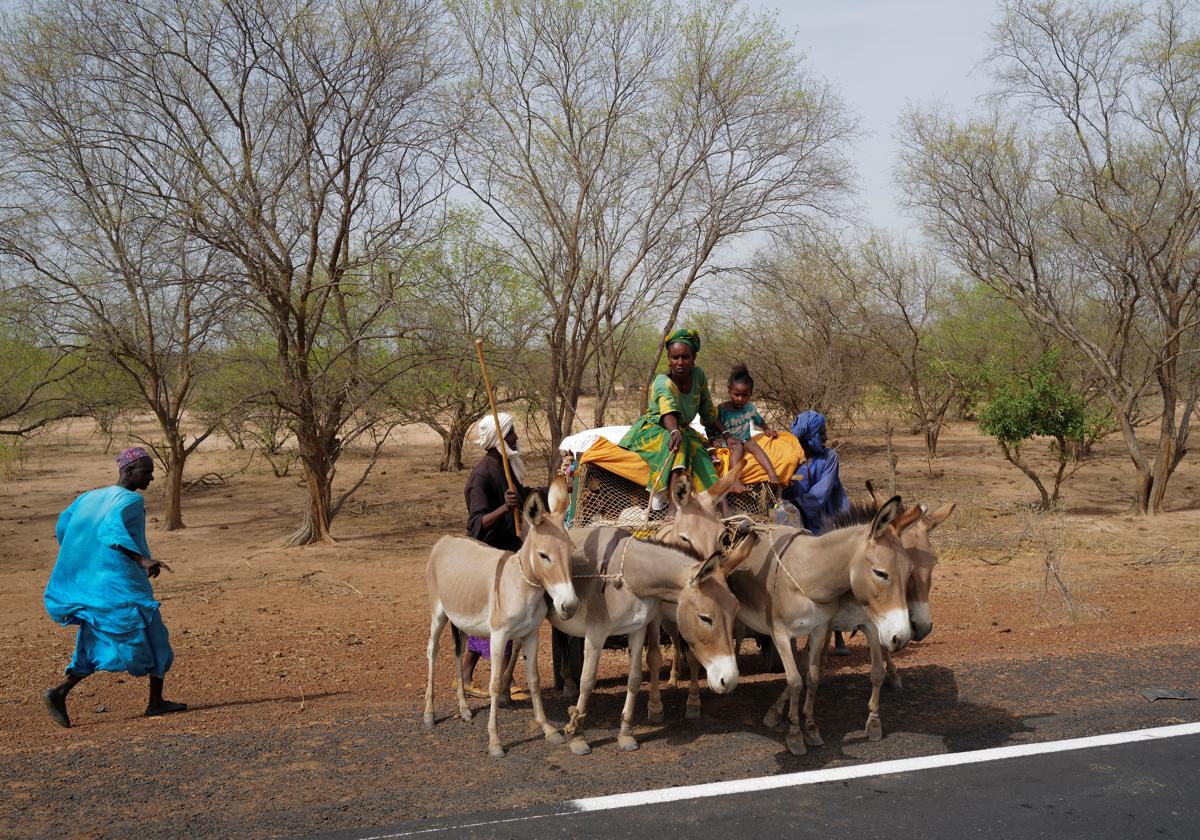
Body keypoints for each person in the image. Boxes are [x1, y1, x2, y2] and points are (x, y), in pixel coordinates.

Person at [42, 447, 186, 728]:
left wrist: (85, 556)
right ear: (128, 470)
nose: (151, 479)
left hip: (93, 585)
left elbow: (64, 527)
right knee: (155, 636)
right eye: (147, 472)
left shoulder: (88, 497)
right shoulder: (130, 500)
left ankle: (61, 691)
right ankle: (154, 702)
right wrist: (142, 559)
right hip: (123, 585)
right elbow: (111, 532)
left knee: (97, 637)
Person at [461, 413, 582, 700]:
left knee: (502, 619)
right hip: (492, 555)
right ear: (499, 440)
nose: (516, 437)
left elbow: (526, 495)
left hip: (511, 551)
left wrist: (555, 487)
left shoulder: (505, 469)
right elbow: (476, 524)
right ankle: (502, 678)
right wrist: (505, 508)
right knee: (502, 619)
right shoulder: (481, 476)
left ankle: (468, 675)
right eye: (511, 433)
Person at [619, 328, 731, 513]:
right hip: (655, 428)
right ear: (669, 360)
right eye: (675, 357)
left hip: (680, 429)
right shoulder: (663, 382)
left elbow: (708, 411)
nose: (680, 362)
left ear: (693, 358)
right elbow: (667, 409)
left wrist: (726, 434)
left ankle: (724, 509)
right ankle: (672, 508)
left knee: (701, 453)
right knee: (680, 446)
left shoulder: (699, 376)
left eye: (685, 357)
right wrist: (674, 431)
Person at [784, 410, 853, 654]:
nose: (826, 436)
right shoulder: (792, 459)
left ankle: (838, 636)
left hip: (829, 519)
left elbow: (819, 496)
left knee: (831, 576)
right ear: (811, 435)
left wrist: (793, 501)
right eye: (822, 432)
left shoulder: (830, 458)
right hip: (801, 519)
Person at [717, 364, 781, 492]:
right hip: (729, 441)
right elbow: (713, 424)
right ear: (730, 391)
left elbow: (759, 419)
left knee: (753, 445)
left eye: (745, 395)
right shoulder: (722, 409)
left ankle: (772, 473)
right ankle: (734, 480)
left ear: (750, 394)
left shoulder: (750, 408)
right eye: (736, 394)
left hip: (744, 439)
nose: (740, 399)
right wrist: (713, 439)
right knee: (738, 447)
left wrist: (766, 428)